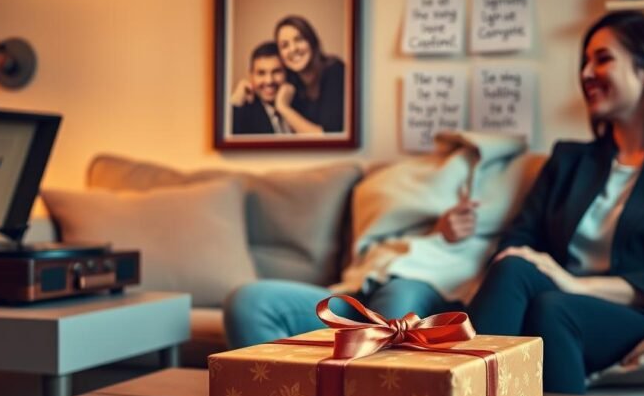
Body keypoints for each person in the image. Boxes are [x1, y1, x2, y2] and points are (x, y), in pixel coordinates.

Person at [467, 10, 644, 394]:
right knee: (513, 266)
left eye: (603, 58)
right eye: (585, 62)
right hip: (553, 294)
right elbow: (517, 240)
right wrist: (553, 278)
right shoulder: (569, 159)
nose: (586, 74)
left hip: (634, 312)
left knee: (553, 309)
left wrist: (577, 285)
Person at [224, 132, 527, 348]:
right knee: (249, 302)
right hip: (361, 291)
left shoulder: (516, 176)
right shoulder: (402, 179)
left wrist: (449, 235)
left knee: (395, 317)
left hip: (423, 286)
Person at [272, 15, 345, 135]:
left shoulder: (335, 71)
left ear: (312, 41)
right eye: (285, 45)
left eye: (299, 39)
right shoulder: (290, 82)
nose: (293, 49)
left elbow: (328, 139)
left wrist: (283, 107)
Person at [230, 42, 293, 135]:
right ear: (251, 76)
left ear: (287, 73)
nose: (269, 81)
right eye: (261, 73)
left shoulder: (301, 105)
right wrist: (235, 102)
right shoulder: (240, 116)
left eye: (276, 71)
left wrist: (283, 108)